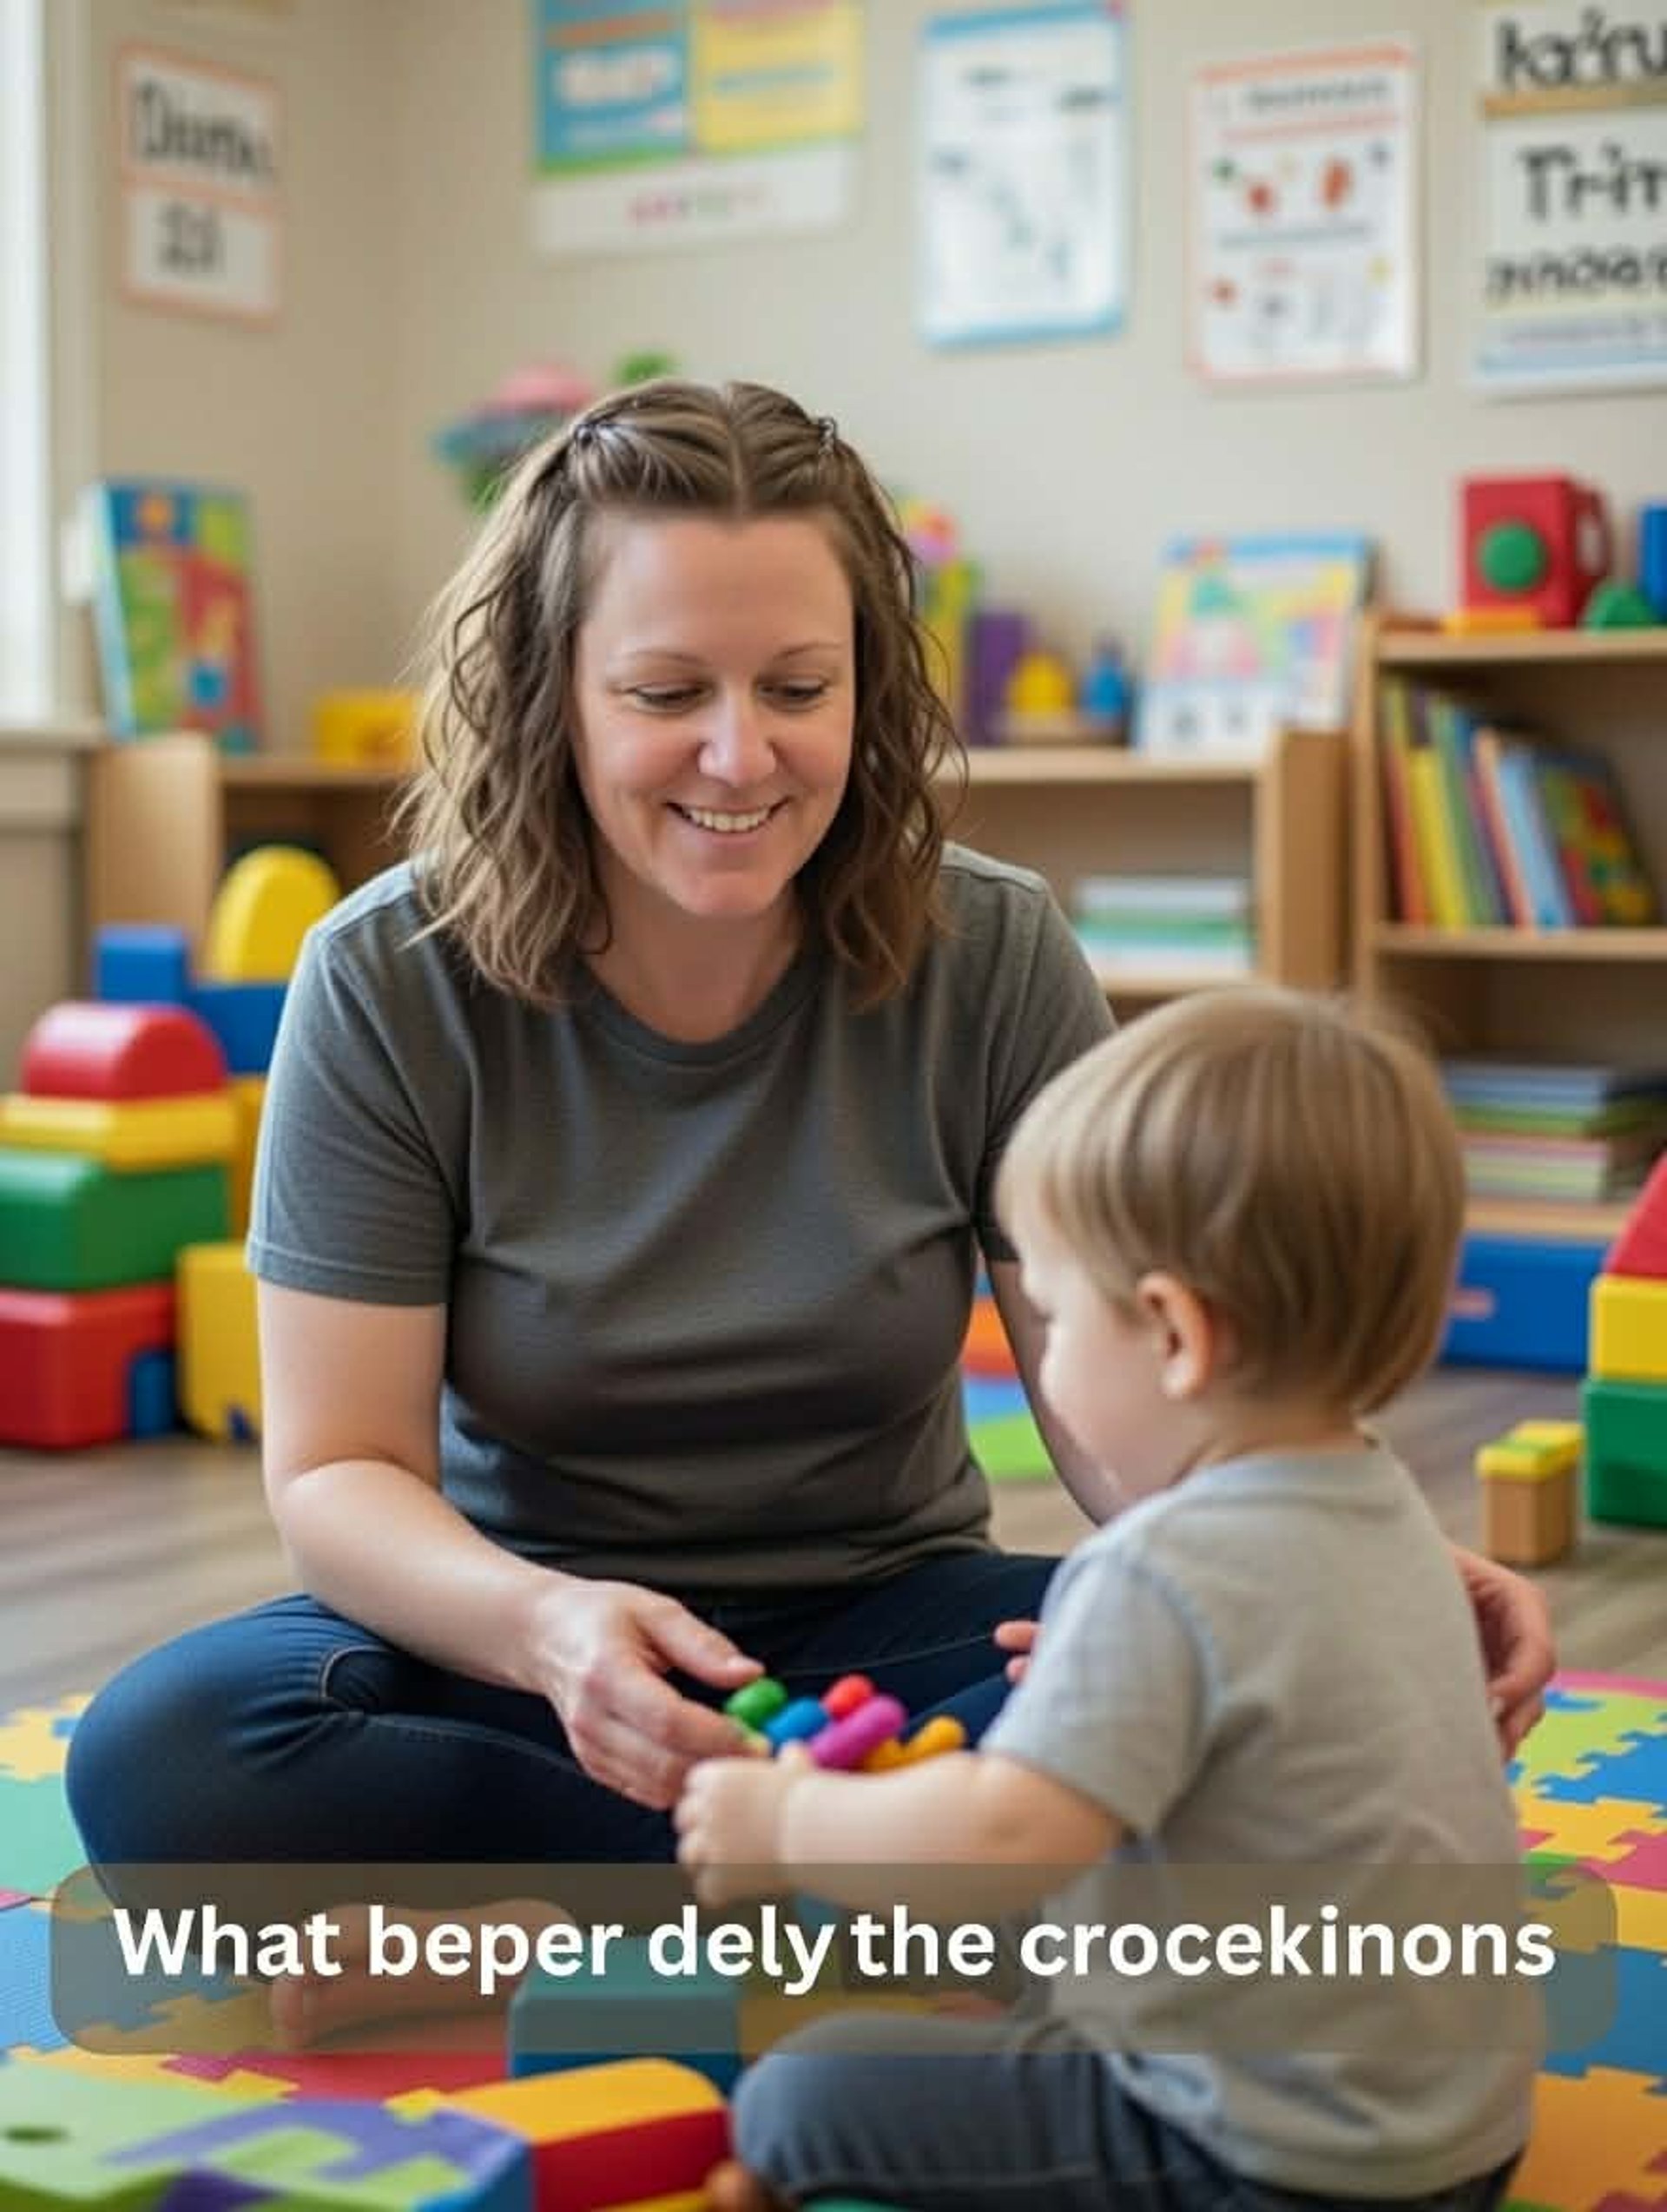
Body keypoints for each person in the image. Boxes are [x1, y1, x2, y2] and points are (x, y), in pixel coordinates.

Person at [65, 382, 1550, 2050]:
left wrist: (1355, 1558)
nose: (739, 754)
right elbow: (338, 1473)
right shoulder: (384, 980)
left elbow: (1143, 1384)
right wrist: (550, 1631)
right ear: (549, 694)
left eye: (797, 688)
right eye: (665, 693)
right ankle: (881, 1907)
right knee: (163, 1764)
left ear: (869, 687)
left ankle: (559, 1939)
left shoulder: (995, 954)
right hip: (531, 1653)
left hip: (893, 1639)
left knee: (1248, 1697)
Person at [678, 986, 1540, 2212]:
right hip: (1463, 2139)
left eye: (1054, 1311)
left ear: (1175, 1335)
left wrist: (787, 1824)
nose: (1046, 1344)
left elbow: (999, 1848)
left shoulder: (1158, 1571)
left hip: (1271, 2165)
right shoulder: (1386, 1508)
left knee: (804, 2090)